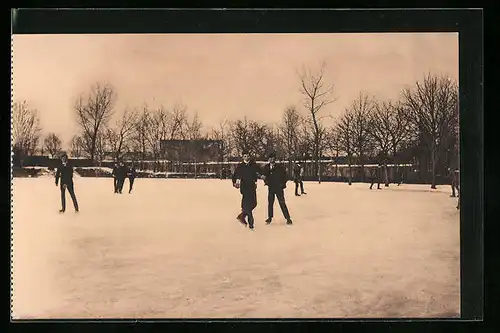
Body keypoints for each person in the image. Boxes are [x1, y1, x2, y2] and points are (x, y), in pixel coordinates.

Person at [231, 151, 262, 231]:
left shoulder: (253, 165)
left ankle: (241, 216)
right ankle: (251, 224)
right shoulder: (240, 166)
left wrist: (262, 175)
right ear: (243, 157)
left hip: (252, 187)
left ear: (249, 156)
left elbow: (260, 171)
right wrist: (235, 183)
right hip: (244, 187)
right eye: (245, 156)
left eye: (247, 156)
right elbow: (235, 175)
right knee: (247, 205)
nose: (246, 157)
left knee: (254, 203)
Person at [262, 152, 292, 225]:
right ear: (268, 159)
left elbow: (285, 176)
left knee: (282, 203)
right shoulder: (266, 167)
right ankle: (270, 218)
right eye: (270, 158)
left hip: (279, 188)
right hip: (271, 188)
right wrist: (266, 182)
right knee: (270, 203)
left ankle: (288, 218)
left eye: (273, 158)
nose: (271, 159)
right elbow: (264, 176)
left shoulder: (280, 166)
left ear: (275, 159)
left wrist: (282, 184)